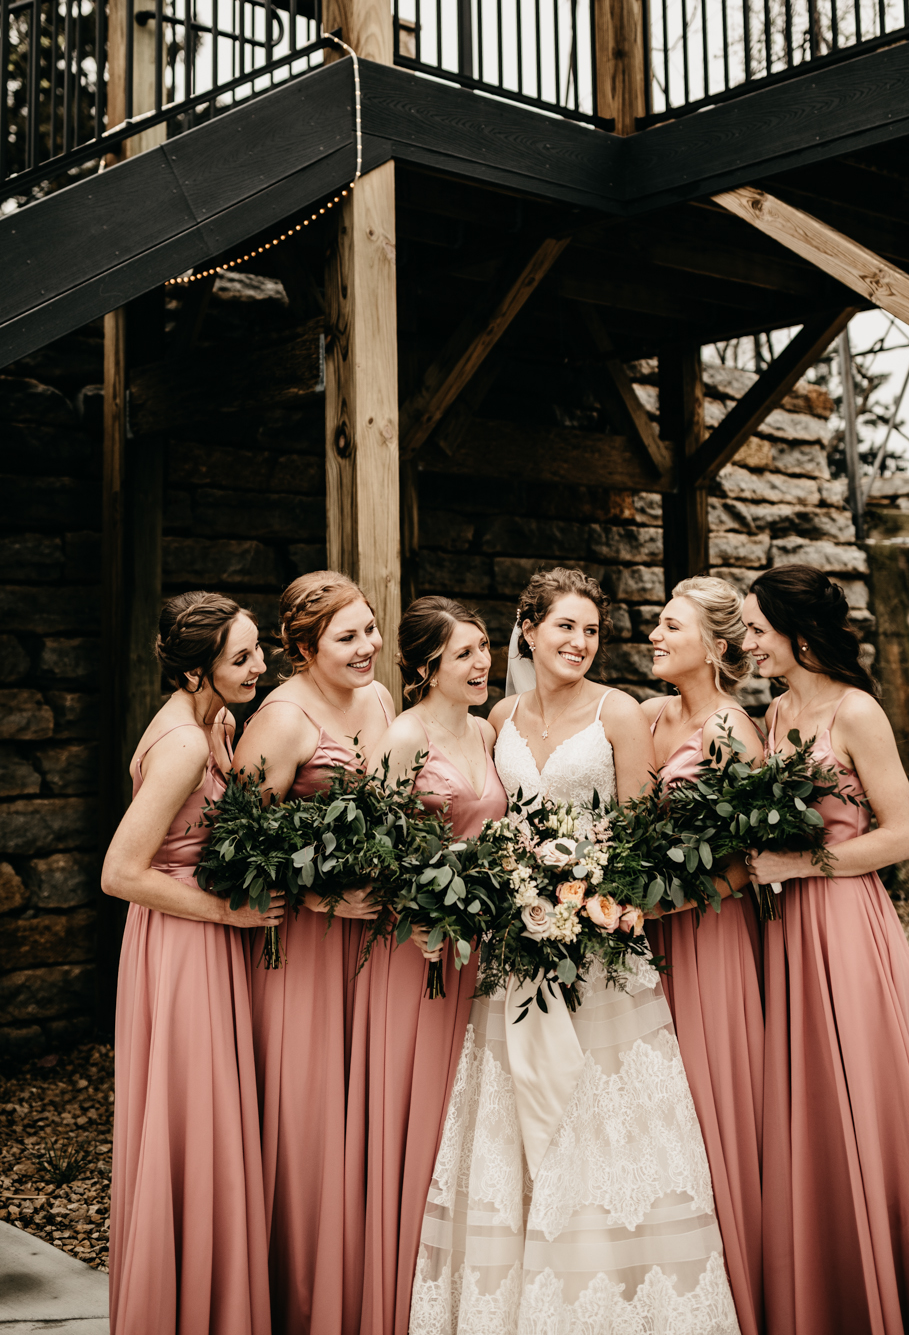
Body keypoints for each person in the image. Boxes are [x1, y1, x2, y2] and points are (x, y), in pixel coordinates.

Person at [409, 567, 741, 1335]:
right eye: (564, 626)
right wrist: (511, 889)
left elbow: (638, 836)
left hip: (602, 951)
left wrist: (593, 892)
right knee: (517, 1111)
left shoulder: (619, 713)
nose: (579, 643)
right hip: (515, 953)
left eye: (590, 630)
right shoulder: (497, 716)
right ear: (527, 628)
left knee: (605, 1119)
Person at [742, 564, 909, 1335]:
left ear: (798, 634)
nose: (745, 642)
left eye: (755, 629)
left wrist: (795, 864)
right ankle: (829, 1292)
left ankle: (896, 1293)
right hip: (783, 933)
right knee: (805, 1103)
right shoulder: (774, 714)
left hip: (844, 925)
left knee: (862, 1099)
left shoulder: (857, 712)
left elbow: (903, 834)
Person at [104, 591, 283, 1335]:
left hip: (194, 937)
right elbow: (119, 872)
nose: (259, 665)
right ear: (195, 671)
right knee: (192, 1119)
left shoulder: (213, 721)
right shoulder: (181, 744)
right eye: (240, 658)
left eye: (256, 651)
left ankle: (211, 1302)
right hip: (183, 943)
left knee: (207, 1120)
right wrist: (226, 912)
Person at [231, 570, 394, 1335]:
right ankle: (300, 1301)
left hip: (373, 943)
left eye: (370, 629)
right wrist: (317, 895)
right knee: (308, 1122)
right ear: (303, 647)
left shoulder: (378, 699)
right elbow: (233, 849)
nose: (369, 647)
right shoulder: (282, 720)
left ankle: (359, 1290)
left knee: (365, 1115)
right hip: (301, 948)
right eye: (349, 636)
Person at [358, 595, 508, 1335]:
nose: (482, 663)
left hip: (485, 949)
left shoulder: (485, 728)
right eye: (463, 654)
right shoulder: (403, 737)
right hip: (418, 952)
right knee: (420, 1113)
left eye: (483, 648)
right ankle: (397, 1292)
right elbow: (378, 853)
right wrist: (419, 913)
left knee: (472, 1116)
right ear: (424, 667)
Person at [642, 576, 767, 1335]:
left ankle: (737, 1286)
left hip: (708, 932)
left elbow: (750, 856)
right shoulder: (652, 714)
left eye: (668, 626)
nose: (653, 635)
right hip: (643, 931)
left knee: (707, 1098)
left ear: (716, 648)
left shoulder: (731, 731)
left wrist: (669, 902)